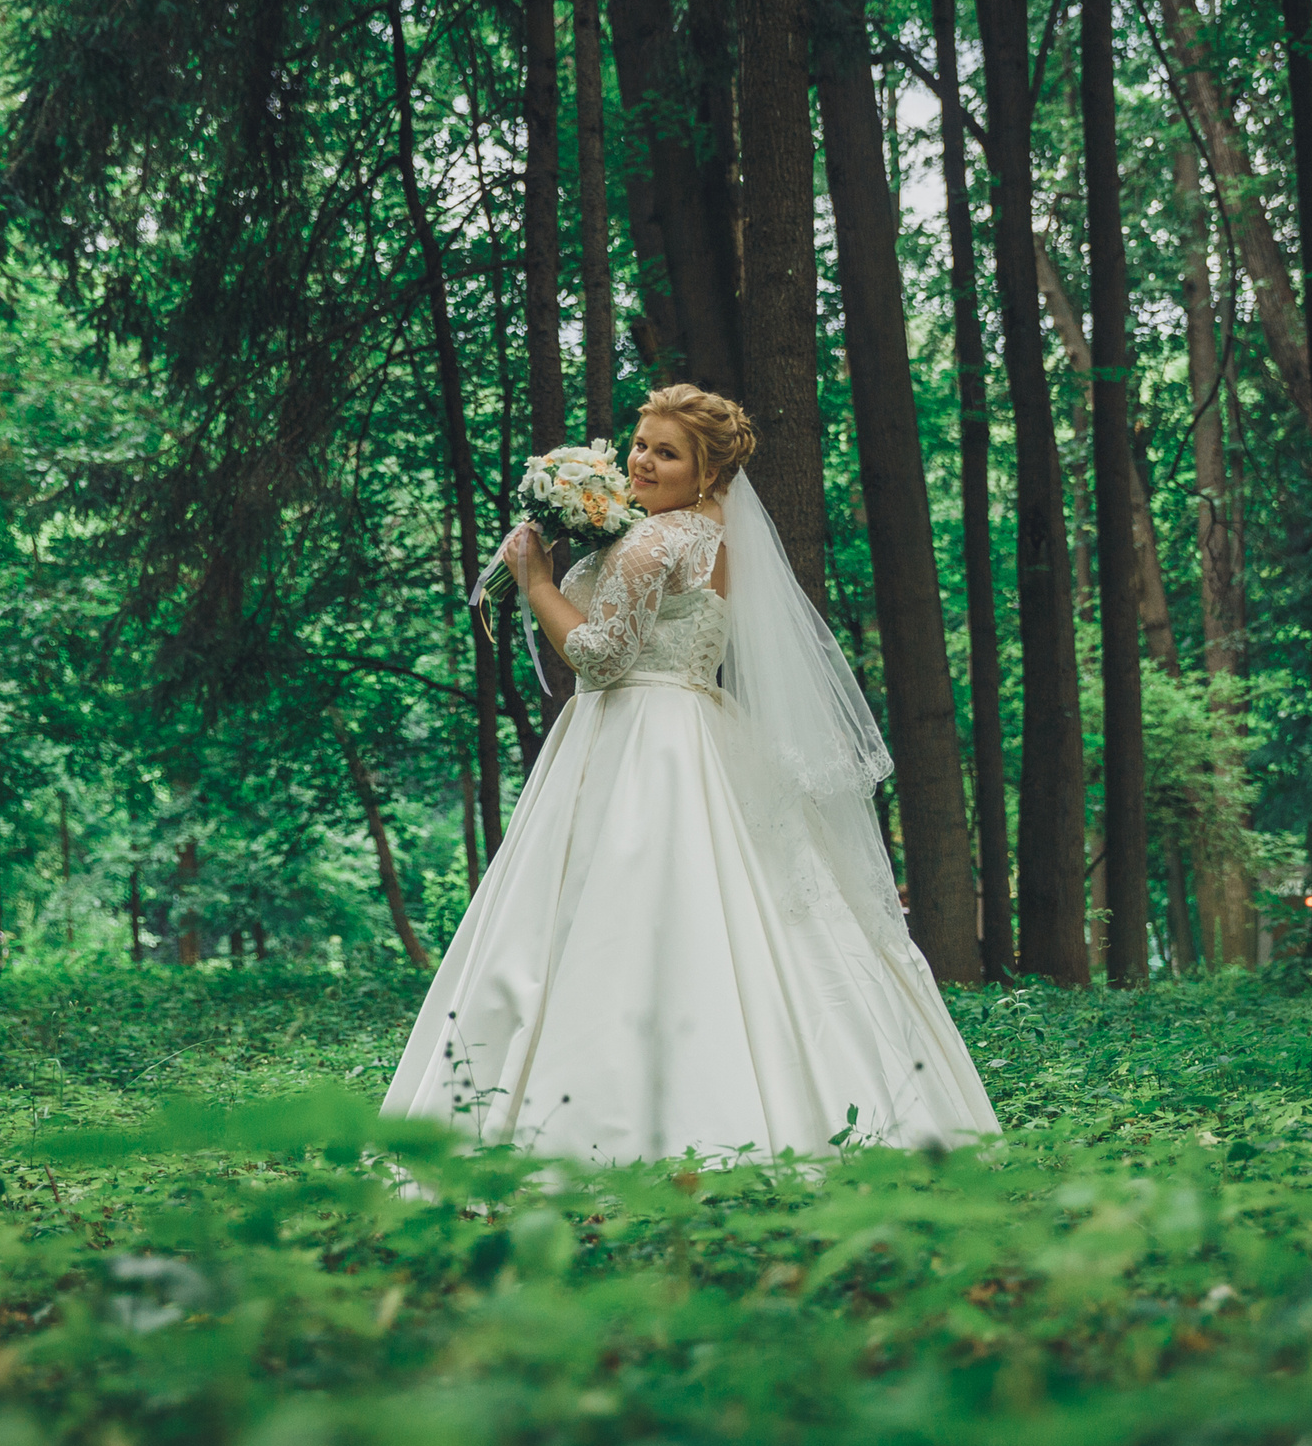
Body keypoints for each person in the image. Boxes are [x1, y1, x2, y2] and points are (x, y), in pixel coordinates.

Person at [382, 385, 999, 1163]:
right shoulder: (715, 539)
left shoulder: (651, 543)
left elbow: (602, 659)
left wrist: (538, 581)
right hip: (702, 724)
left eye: (666, 452)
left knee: (618, 913)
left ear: (709, 472)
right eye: (640, 443)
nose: (641, 459)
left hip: (636, 732)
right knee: (751, 913)